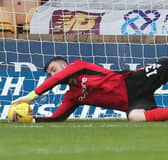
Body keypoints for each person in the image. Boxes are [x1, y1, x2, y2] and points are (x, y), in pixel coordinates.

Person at [12, 56, 168, 122]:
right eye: (50, 73)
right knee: (135, 117)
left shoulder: (80, 66)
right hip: (133, 102)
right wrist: (31, 120)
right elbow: (57, 118)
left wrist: (33, 95)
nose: (53, 74)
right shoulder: (72, 96)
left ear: (65, 65)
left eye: (54, 69)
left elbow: (58, 78)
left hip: (132, 82)